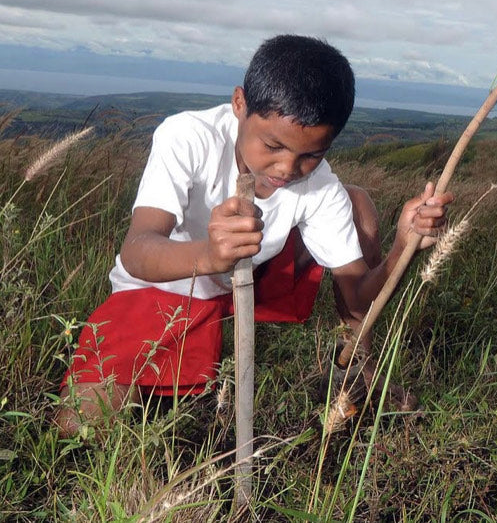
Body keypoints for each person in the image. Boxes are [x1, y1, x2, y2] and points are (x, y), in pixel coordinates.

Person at [55, 35, 453, 435]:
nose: (287, 168)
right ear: (239, 104)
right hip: (162, 288)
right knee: (80, 424)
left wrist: (403, 248)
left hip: (248, 285)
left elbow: (358, 297)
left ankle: (358, 370)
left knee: (357, 203)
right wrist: (210, 257)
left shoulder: (320, 186)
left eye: (311, 155)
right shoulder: (187, 137)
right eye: (272, 145)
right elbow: (136, 251)